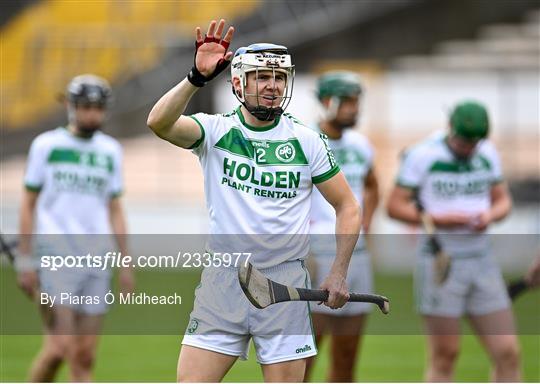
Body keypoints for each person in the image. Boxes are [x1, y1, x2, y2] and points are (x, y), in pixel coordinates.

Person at [147, 19, 361, 382]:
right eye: (262, 77)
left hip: (284, 284)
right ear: (238, 83)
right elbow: (159, 122)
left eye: (279, 78)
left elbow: (348, 206)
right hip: (224, 282)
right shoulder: (215, 131)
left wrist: (338, 272)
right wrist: (195, 78)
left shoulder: (307, 141)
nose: (273, 86)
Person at [387, 101, 520, 381]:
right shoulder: (423, 154)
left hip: (482, 259)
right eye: (463, 141)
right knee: (446, 353)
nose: (468, 148)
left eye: (474, 142)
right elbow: (395, 207)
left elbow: (503, 200)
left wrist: (490, 215)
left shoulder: (487, 152)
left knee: (507, 351)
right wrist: (439, 219)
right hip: (441, 261)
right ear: (450, 128)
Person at [17, 74, 134, 382]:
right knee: (58, 348)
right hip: (55, 258)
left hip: (96, 260)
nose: (93, 113)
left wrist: (126, 261)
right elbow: (28, 204)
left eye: (98, 107)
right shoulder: (46, 145)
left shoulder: (110, 150)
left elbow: (115, 208)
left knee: (84, 356)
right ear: (71, 106)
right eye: (86, 107)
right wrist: (26, 260)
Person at [304, 72, 379, 382]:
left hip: (355, 254)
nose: (354, 108)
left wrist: (367, 226)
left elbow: (373, 186)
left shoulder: (361, 144)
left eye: (357, 101)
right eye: (347, 101)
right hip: (315, 252)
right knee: (305, 356)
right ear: (326, 102)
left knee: (347, 357)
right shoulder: (304, 141)